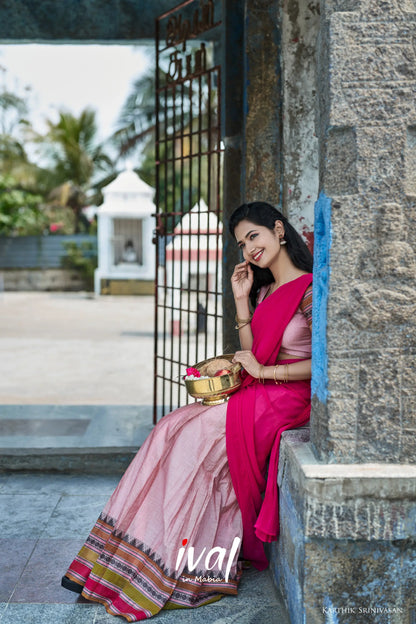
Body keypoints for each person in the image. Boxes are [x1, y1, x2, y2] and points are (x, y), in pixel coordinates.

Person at [61, 200, 313, 621]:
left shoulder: (309, 290)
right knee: (170, 427)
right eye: (241, 243)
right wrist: (241, 300)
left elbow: (326, 361)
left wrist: (268, 371)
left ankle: (172, 567)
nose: (249, 248)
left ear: (278, 230)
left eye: (254, 236)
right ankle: (120, 557)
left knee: (195, 441)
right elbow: (251, 354)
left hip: (286, 396)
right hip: (260, 389)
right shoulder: (266, 289)